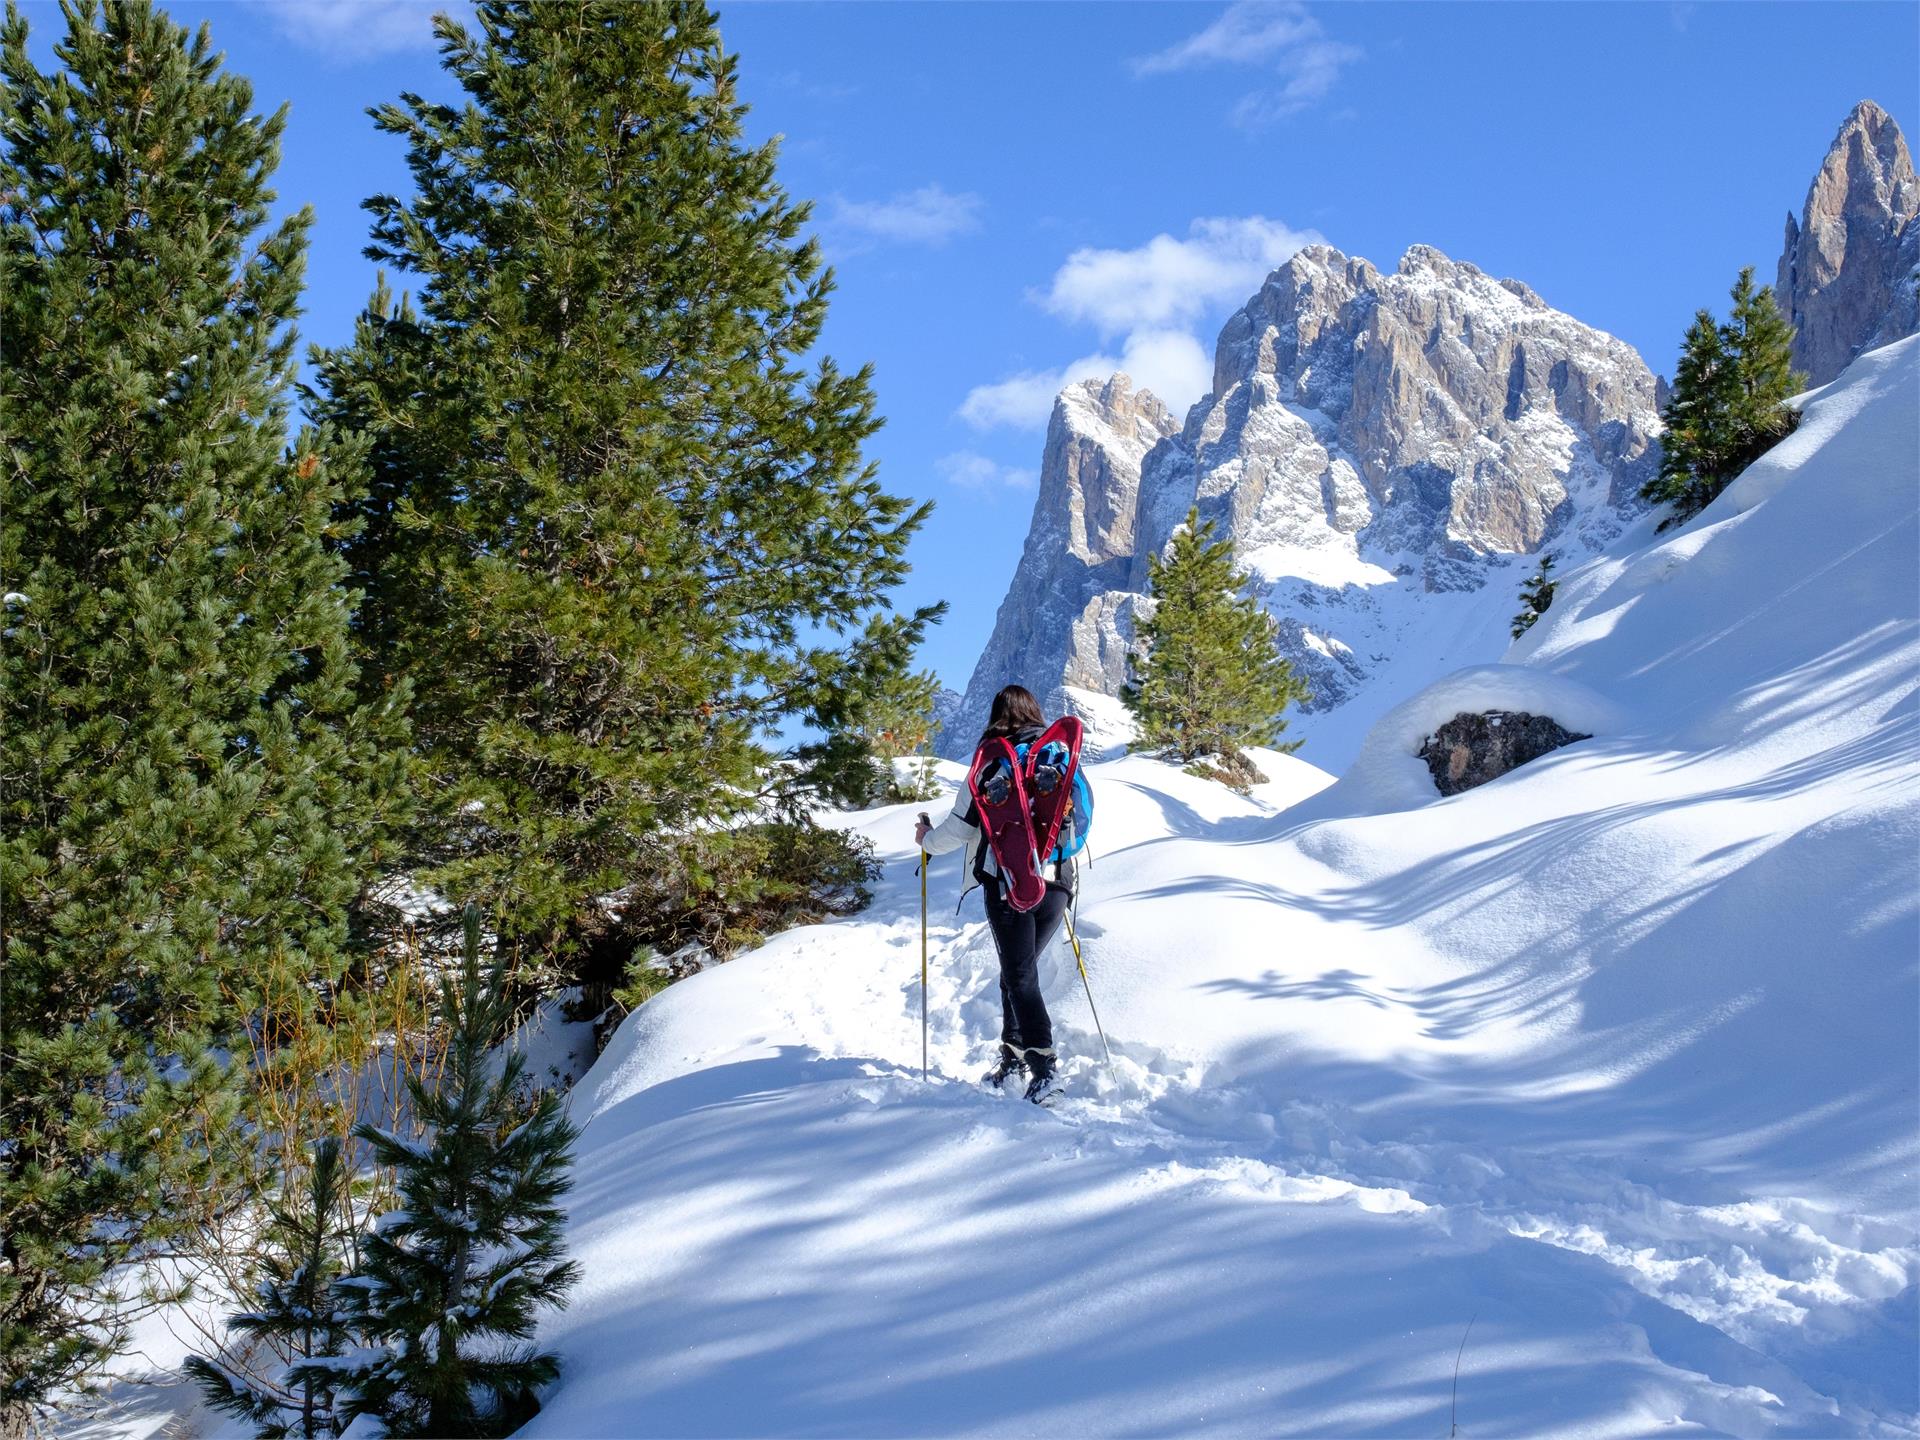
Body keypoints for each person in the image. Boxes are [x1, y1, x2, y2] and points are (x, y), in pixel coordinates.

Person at [915, 684, 1075, 1104]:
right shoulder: (1057, 755)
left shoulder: (993, 759)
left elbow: (962, 827)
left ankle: (1043, 1068)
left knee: (1019, 974)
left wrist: (927, 841)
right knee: (1016, 973)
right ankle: (1011, 1060)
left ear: (997, 715)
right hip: (1057, 881)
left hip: (1008, 881)